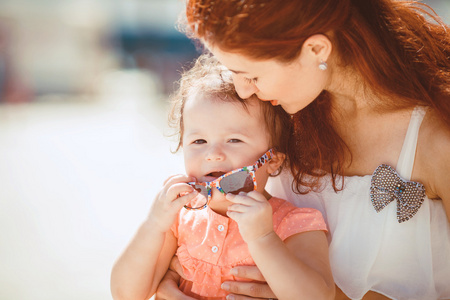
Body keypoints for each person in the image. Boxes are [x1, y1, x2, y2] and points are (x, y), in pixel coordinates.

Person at [156, 0, 450, 299]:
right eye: (233, 72)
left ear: (316, 50)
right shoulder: (270, 119)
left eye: (252, 76)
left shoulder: (437, 142)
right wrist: (169, 280)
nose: (243, 90)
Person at [110, 55, 335, 300]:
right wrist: (153, 225)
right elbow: (125, 294)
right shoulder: (179, 219)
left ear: (271, 161)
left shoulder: (295, 223)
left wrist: (263, 238)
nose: (213, 155)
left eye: (234, 140)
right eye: (199, 141)